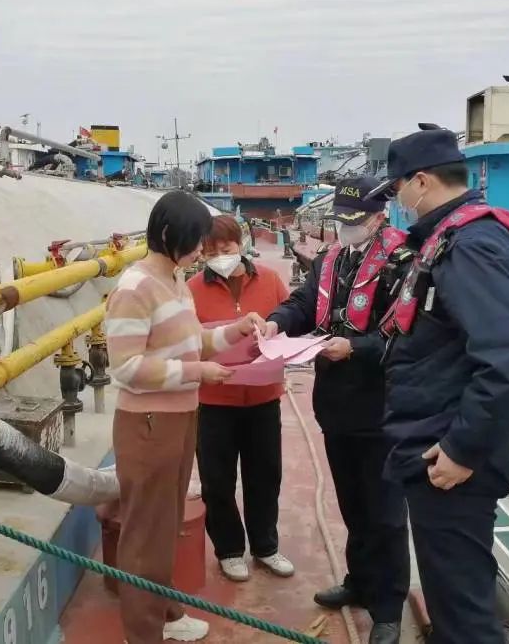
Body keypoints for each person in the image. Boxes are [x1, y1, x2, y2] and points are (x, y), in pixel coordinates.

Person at [365, 127, 509, 644]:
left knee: (463, 613)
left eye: (398, 188)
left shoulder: (470, 245)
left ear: (421, 182)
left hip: (450, 457)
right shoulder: (448, 239)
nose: (398, 201)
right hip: (434, 442)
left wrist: (463, 448)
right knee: (451, 595)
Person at [106, 191, 267, 644]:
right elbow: (126, 367)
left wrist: (234, 331)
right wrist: (198, 372)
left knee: (165, 525)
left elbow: (193, 340)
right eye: (196, 241)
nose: (201, 250)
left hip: (177, 418)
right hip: (148, 423)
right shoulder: (135, 288)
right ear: (167, 234)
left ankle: (166, 611)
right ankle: (142, 633)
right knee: (146, 535)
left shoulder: (174, 279)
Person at [266, 176, 413, 644]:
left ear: (379, 217)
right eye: (341, 221)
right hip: (336, 406)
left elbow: (407, 337)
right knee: (351, 504)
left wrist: (356, 348)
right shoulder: (332, 259)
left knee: (385, 513)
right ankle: (359, 581)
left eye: (356, 220)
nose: (347, 228)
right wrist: (275, 323)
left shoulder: (403, 262)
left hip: (381, 408)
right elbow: (303, 303)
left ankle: (387, 607)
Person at [187, 215, 293, 583]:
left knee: (265, 474)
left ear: (241, 243)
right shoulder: (192, 289)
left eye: (226, 248)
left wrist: (278, 339)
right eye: (211, 251)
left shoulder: (270, 280)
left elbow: (290, 320)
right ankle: (229, 549)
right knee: (217, 479)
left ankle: (265, 546)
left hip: (263, 397)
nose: (220, 256)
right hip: (214, 401)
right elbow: (187, 342)